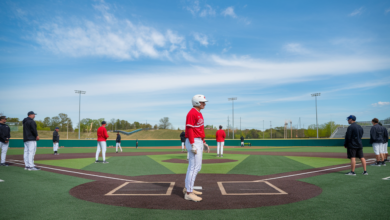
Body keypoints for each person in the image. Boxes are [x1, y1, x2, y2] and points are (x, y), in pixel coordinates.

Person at [183, 94, 209, 202]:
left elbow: (199, 130)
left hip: (198, 140)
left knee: (195, 167)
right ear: (197, 103)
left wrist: (203, 141)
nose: (204, 104)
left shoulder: (199, 113)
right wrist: (193, 144)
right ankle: (189, 193)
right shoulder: (192, 113)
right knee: (194, 167)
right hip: (193, 141)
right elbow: (189, 130)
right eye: (203, 102)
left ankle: (188, 188)